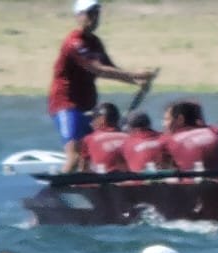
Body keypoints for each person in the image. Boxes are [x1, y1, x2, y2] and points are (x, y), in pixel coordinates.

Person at [47, 0, 154, 172]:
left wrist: (137, 83)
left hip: (89, 105)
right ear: (78, 16)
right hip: (66, 105)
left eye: (97, 13)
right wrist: (135, 74)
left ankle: (86, 192)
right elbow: (97, 69)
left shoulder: (95, 43)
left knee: (88, 157)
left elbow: (111, 69)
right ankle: (51, 196)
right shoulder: (74, 42)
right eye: (89, 14)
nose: (94, 18)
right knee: (75, 156)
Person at [157, 99, 218, 171]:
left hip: (191, 181)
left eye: (167, 119)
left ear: (180, 119)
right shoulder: (213, 132)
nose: (164, 124)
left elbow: (160, 169)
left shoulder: (168, 140)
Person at [81, 102, 127, 172]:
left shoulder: (89, 139)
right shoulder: (129, 138)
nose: (91, 122)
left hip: (104, 181)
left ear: (102, 119)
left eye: (93, 118)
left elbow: (84, 170)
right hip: (131, 180)